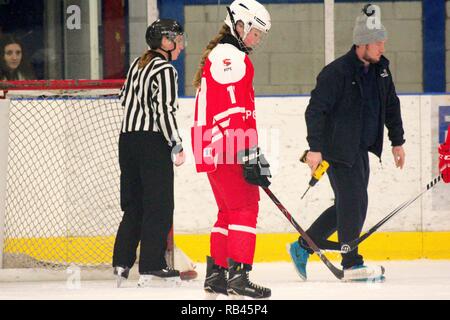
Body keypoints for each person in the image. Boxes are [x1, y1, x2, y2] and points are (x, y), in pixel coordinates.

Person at [288, 4, 406, 282]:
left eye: (383, 41)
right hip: (336, 149)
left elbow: (391, 105)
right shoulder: (336, 73)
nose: (382, 47)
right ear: (362, 43)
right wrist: (314, 149)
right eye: (378, 42)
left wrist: (397, 141)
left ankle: (303, 245)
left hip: (361, 149)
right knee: (353, 203)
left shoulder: (381, 70)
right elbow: (315, 111)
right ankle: (352, 263)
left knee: (351, 204)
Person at [192, 0, 272, 299]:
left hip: (213, 145)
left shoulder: (222, 54)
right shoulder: (230, 55)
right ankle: (239, 276)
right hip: (226, 144)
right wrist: (248, 151)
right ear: (241, 25)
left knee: (227, 211)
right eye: (255, 32)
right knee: (245, 208)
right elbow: (233, 109)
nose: (257, 39)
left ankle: (217, 276)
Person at [112, 19, 186, 287]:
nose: (181, 45)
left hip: (127, 140)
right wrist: (175, 142)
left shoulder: (137, 64)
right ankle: (153, 265)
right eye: (177, 39)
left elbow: (123, 98)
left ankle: (121, 263)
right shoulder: (165, 69)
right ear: (165, 42)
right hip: (152, 142)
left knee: (134, 205)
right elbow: (164, 111)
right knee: (160, 205)